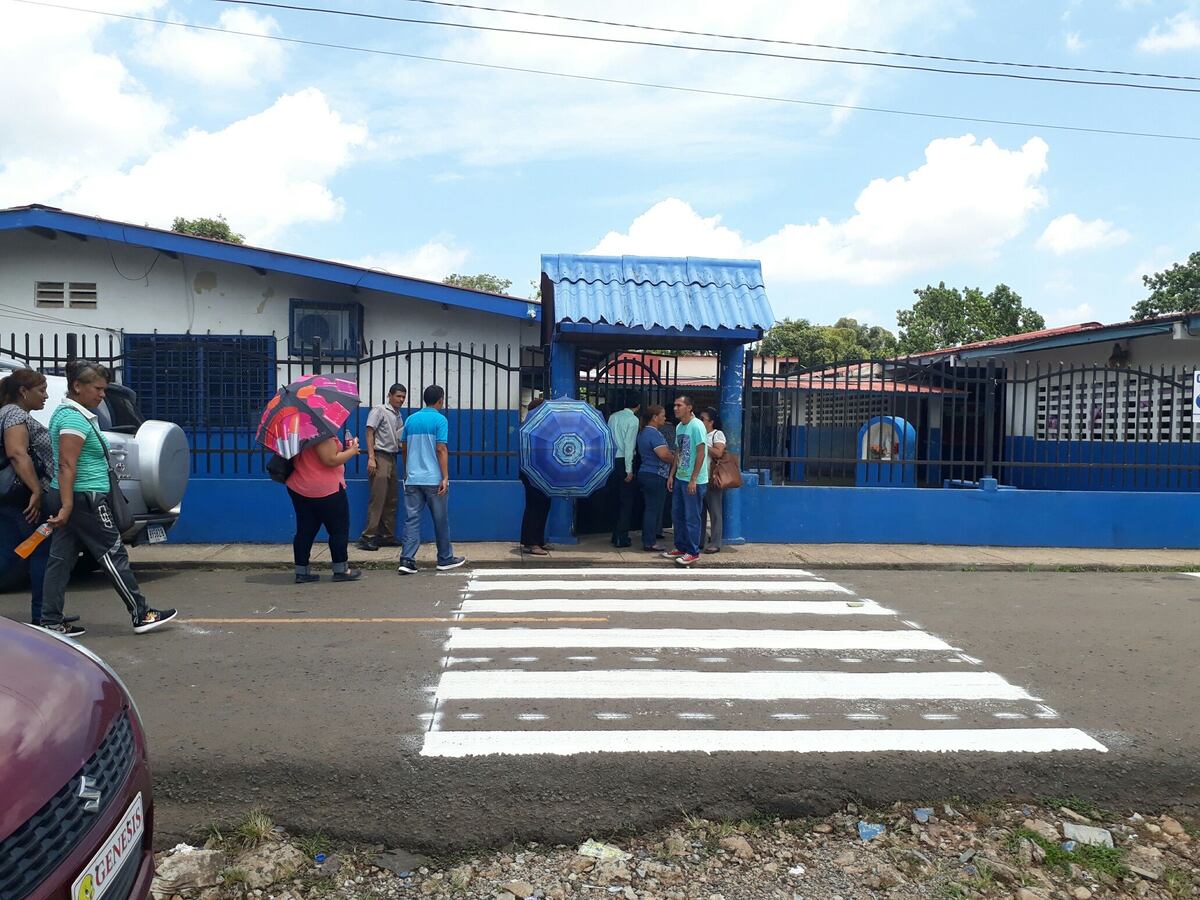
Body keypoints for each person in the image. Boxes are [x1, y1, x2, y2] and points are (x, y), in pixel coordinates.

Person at [41, 361, 177, 635]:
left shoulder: (72, 414)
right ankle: (141, 613)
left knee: (60, 558)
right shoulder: (72, 419)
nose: (102, 395)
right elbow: (68, 464)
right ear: (77, 387)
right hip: (84, 497)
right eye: (98, 389)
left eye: (104, 389)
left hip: (76, 496)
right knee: (113, 553)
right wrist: (67, 505)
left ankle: (51, 620)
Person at [0, 368, 64, 626]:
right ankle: (43, 616)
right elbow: (17, 453)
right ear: (23, 392)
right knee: (38, 551)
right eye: (41, 390)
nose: (46, 396)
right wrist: (36, 490)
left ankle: (45, 613)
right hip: (22, 499)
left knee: (14, 552)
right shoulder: (14, 414)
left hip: (15, 499)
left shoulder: (12, 413)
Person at [397, 385, 466, 574]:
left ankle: (407, 559)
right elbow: (441, 448)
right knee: (440, 519)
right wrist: (445, 476)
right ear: (440, 400)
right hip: (433, 479)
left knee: (412, 519)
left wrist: (407, 470)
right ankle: (444, 558)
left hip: (413, 478)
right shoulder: (440, 420)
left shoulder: (411, 420)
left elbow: (404, 447)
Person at [286, 429, 362, 584]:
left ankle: (302, 571)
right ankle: (341, 569)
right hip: (326, 488)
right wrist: (352, 451)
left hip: (300, 486)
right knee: (338, 530)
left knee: (305, 531)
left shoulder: (295, 431)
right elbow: (330, 460)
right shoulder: (320, 432)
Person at [358, 383, 406, 551]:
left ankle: (386, 535)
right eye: (398, 396)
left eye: (403, 397)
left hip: (392, 457)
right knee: (378, 497)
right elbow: (369, 431)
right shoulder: (380, 410)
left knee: (391, 497)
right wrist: (371, 457)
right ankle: (368, 536)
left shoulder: (398, 415)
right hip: (380, 456)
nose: (401, 399)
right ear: (389, 395)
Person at [663, 394, 708, 567]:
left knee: (692, 516)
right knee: (678, 515)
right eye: (675, 405)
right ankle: (681, 547)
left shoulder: (696, 426)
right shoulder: (680, 427)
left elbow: (701, 453)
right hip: (680, 477)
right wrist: (672, 475)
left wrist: (693, 479)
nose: (675, 408)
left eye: (679, 405)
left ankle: (693, 551)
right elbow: (678, 452)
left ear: (689, 407)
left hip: (694, 480)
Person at [635, 404, 673, 553]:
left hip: (646, 472)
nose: (665, 418)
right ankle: (650, 541)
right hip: (655, 474)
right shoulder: (654, 434)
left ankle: (649, 539)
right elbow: (663, 455)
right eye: (662, 415)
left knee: (650, 508)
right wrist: (676, 458)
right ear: (654, 417)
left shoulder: (643, 433)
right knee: (653, 509)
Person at [519, 398, 552, 555]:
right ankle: (531, 542)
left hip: (543, 472)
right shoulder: (531, 427)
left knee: (544, 504)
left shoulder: (541, 426)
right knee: (535, 505)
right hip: (533, 471)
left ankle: (538, 539)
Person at [607, 394, 640, 547]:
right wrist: (629, 469)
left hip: (611, 460)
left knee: (615, 499)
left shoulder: (613, 417)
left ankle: (614, 534)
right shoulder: (633, 420)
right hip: (623, 461)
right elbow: (629, 445)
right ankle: (622, 537)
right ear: (638, 405)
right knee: (626, 501)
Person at [698, 407, 727, 554]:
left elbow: (718, 452)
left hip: (711, 477)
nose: (700, 421)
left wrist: (704, 444)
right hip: (699, 477)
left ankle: (715, 542)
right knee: (699, 512)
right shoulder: (698, 433)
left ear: (711, 422)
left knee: (715, 512)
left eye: (703, 419)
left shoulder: (717, 434)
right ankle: (699, 540)